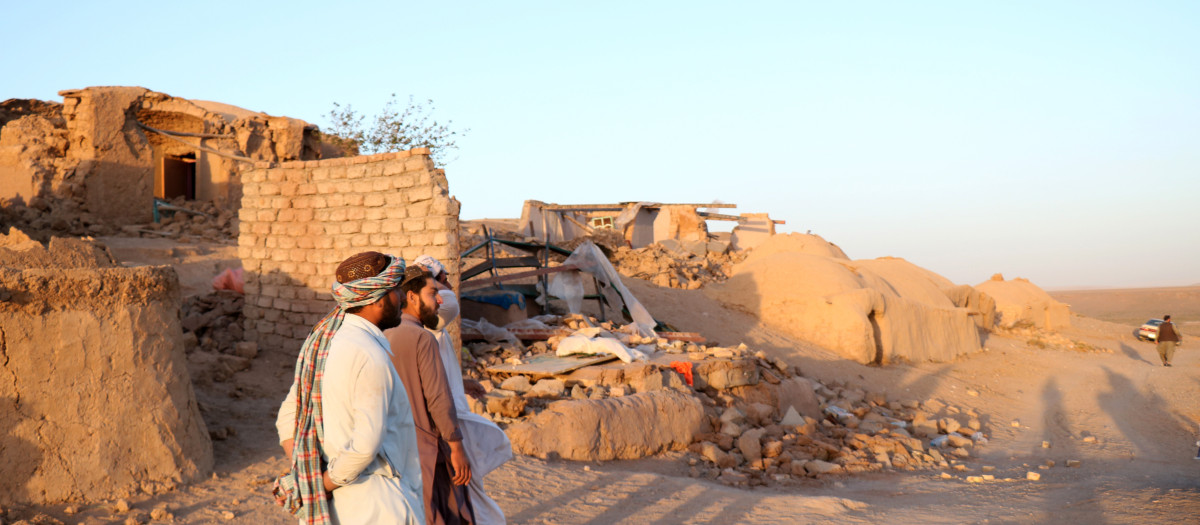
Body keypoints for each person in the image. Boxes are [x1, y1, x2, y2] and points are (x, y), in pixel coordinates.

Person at [273, 251, 424, 525]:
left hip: (340, 507)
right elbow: (365, 447)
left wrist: (309, 478)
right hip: (378, 504)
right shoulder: (368, 354)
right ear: (378, 298)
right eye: (397, 291)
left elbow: (287, 419)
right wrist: (319, 484)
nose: (402, 299)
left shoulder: (323, 344)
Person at [414, 255, 513, 525]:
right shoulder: (431, 317)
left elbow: (440, 367)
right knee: (463, 486)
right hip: (445, 418)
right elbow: (450, 303)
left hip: (450, 412)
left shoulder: (432, 322)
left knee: (465, 486)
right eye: (441, 281)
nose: (446, 287)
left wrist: (463, 382)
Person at [385, 266, 475, 525]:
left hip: (395, 447)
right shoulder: (421, 338)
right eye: (432, 293)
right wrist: (456, 446)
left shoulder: (382, 333)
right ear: (411, 297)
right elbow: (438, 399)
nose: (439, 300)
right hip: (426, 448)